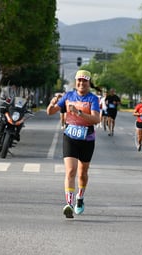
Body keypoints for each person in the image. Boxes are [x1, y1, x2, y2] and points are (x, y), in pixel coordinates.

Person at [46, 70, 100, 218]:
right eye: (79, 81)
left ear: (89, 83)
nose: (81, 83)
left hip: (87, 139)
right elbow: (50, 112)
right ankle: (69, 204)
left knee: (82, 173)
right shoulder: (68, 96)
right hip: (70, 137)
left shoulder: (93, 99)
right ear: (75, 82)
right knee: (70, 171)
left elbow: (96, 120)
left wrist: (79, 113)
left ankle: (80, 198)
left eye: (85, 81)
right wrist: (53, 102)